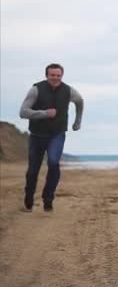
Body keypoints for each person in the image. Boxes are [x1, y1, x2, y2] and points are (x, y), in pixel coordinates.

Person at [19, 63, 84, 212]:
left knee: (54, 163)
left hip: (57, 134)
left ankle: (48, 199)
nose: (55, 78)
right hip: (37, 135)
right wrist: (44, 113)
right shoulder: (36, 90)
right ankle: (29, 197)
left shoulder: (69, 91)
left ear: (62, 75)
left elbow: (80, 101)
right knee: (33, 170)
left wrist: (77, 121)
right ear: (47, 75)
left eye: (58, 75)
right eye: (52, 75)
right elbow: (23, 112)